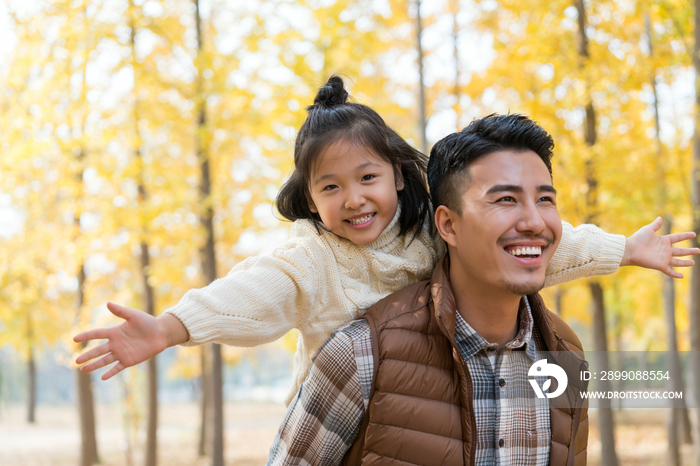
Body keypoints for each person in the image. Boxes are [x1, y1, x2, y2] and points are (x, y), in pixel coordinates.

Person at [73, 77, 696, 406]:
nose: (354, 199)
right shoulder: (312, 260)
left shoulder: (433, 236)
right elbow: (252, 293)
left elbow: (528, 248)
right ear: (311, 200)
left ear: (398, 175)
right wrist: (172, 326)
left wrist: (622, 250)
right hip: (339, 418)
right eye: (331, 188)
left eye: (367, 177)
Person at [267, 114, 699, 466]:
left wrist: (625, 248)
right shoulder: (361, 353)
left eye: (545, 199)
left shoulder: (565, 354)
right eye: (506, 200)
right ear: (448, 225)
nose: (534, 221)